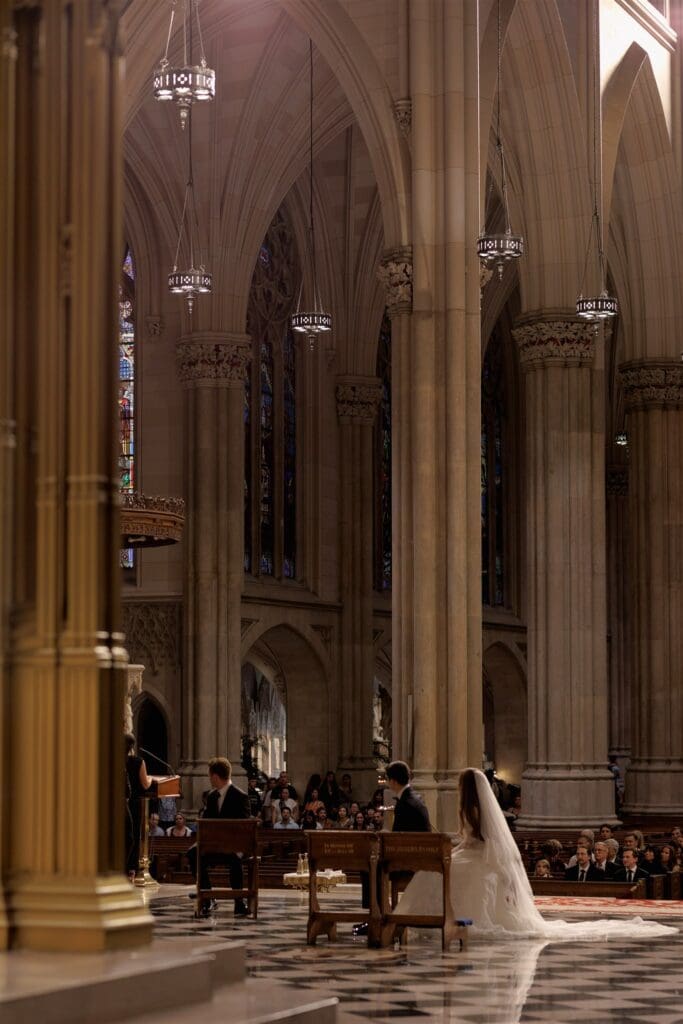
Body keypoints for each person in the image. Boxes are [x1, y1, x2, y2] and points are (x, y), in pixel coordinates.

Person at [397, 767, 676, 939]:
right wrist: (452, 844)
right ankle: (425, 918)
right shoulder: (469, 809)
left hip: (481, 857)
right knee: (433, 872)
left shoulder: (474, 809)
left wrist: (469, 855)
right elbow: (467, 839)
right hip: (471, 853)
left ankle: (440, 918)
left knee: (445, 873)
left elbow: (484, 843)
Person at [185, 757, 251, 918]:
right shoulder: (212, 796)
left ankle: (239, 901)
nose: (209, 779)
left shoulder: (240, 796)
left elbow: (244, 827)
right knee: (193, 852)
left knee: (235, 858)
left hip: (235, 845)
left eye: (209, 776)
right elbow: (207, 822)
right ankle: (208, 897)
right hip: (214, 844)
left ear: (215, 776)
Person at [125, 733, 154, 880]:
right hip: (134, 803)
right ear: (132, 746)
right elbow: (145, 784)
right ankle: (131, 870)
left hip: (118, 803)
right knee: (134, 836)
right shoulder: (138, 761)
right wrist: (150, 779)